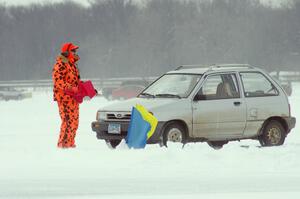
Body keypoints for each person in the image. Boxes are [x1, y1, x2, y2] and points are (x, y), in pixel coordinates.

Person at [52, 42, 81, 148]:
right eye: (73, 50)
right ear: (67, 52)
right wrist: (71, 88)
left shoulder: (72, 65)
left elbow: (77, 82)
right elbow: (58, 81)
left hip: (74, 98)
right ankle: (63, 145)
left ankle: (70, 144)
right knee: (68, 121)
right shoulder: (60, 64)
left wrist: (89, 89)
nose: (75, 52)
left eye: (75, 51)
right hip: (64, 98)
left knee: (75, 122)